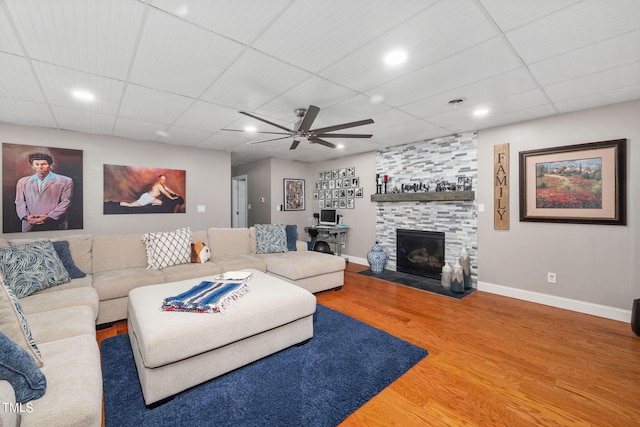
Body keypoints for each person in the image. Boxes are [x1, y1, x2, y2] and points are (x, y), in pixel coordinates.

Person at [15, 152, 74, 232]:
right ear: (32, 166)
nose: (40, 167)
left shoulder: (65, 181)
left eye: (43, 164)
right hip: (30, 224)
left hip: (55, 224)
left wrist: (48, 217)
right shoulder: (22, 182)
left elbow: (66, 202)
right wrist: (26, 217)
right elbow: (20, 201)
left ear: (50, 165)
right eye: (37, 164)